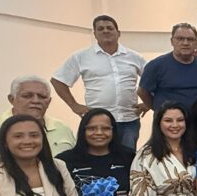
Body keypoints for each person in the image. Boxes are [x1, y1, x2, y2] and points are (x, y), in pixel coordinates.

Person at [51, 14, 147, 151]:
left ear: (118, 33)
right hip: (97, 122)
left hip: (128, 120)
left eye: (110, 28)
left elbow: (155, 80)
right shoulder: (81, 57)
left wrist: (148, 103)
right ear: (95, 34)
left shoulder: (135, 57)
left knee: (127, 158)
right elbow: (58, 81)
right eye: (100, 29)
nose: (105, 31)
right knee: (96, 156)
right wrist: (74, 106)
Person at [129, 103, 197, 196]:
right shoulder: (146, 155)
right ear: (158, 123)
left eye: (180, 120)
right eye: (168, 120)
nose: (175, 125)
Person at [137, 23, 197, 113]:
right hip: (167, 120)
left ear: (196, 43)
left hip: (195, 120)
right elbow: (142, 92)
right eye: (180, 39)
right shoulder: (156, 65)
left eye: (190, 39)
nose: (185, 43)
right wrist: (159, 110)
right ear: (172, 41)